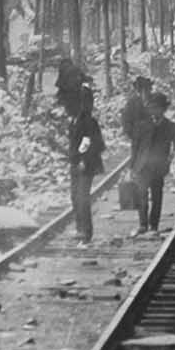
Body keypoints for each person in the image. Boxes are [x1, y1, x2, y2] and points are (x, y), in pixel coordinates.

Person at [133, 91, 175, 234]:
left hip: (158, 167)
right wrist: (131, 167)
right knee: (142, 195)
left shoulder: (170, 126)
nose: (153, 111)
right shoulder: (142, 125)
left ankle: (153, 225)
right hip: (142, 166)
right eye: (151, 108)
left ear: (163, 109)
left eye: (156, 108)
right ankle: (143, 224)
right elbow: (135, 147)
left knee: (157, 196)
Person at [67, 85, 106, 244]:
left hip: (86, 164)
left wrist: (83, 158)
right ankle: (79, 228)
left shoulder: (89, 121)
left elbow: (93, 142)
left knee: (82, 198)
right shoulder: (74, 120)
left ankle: (86, 231)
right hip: (76, 163)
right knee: (74, 196)